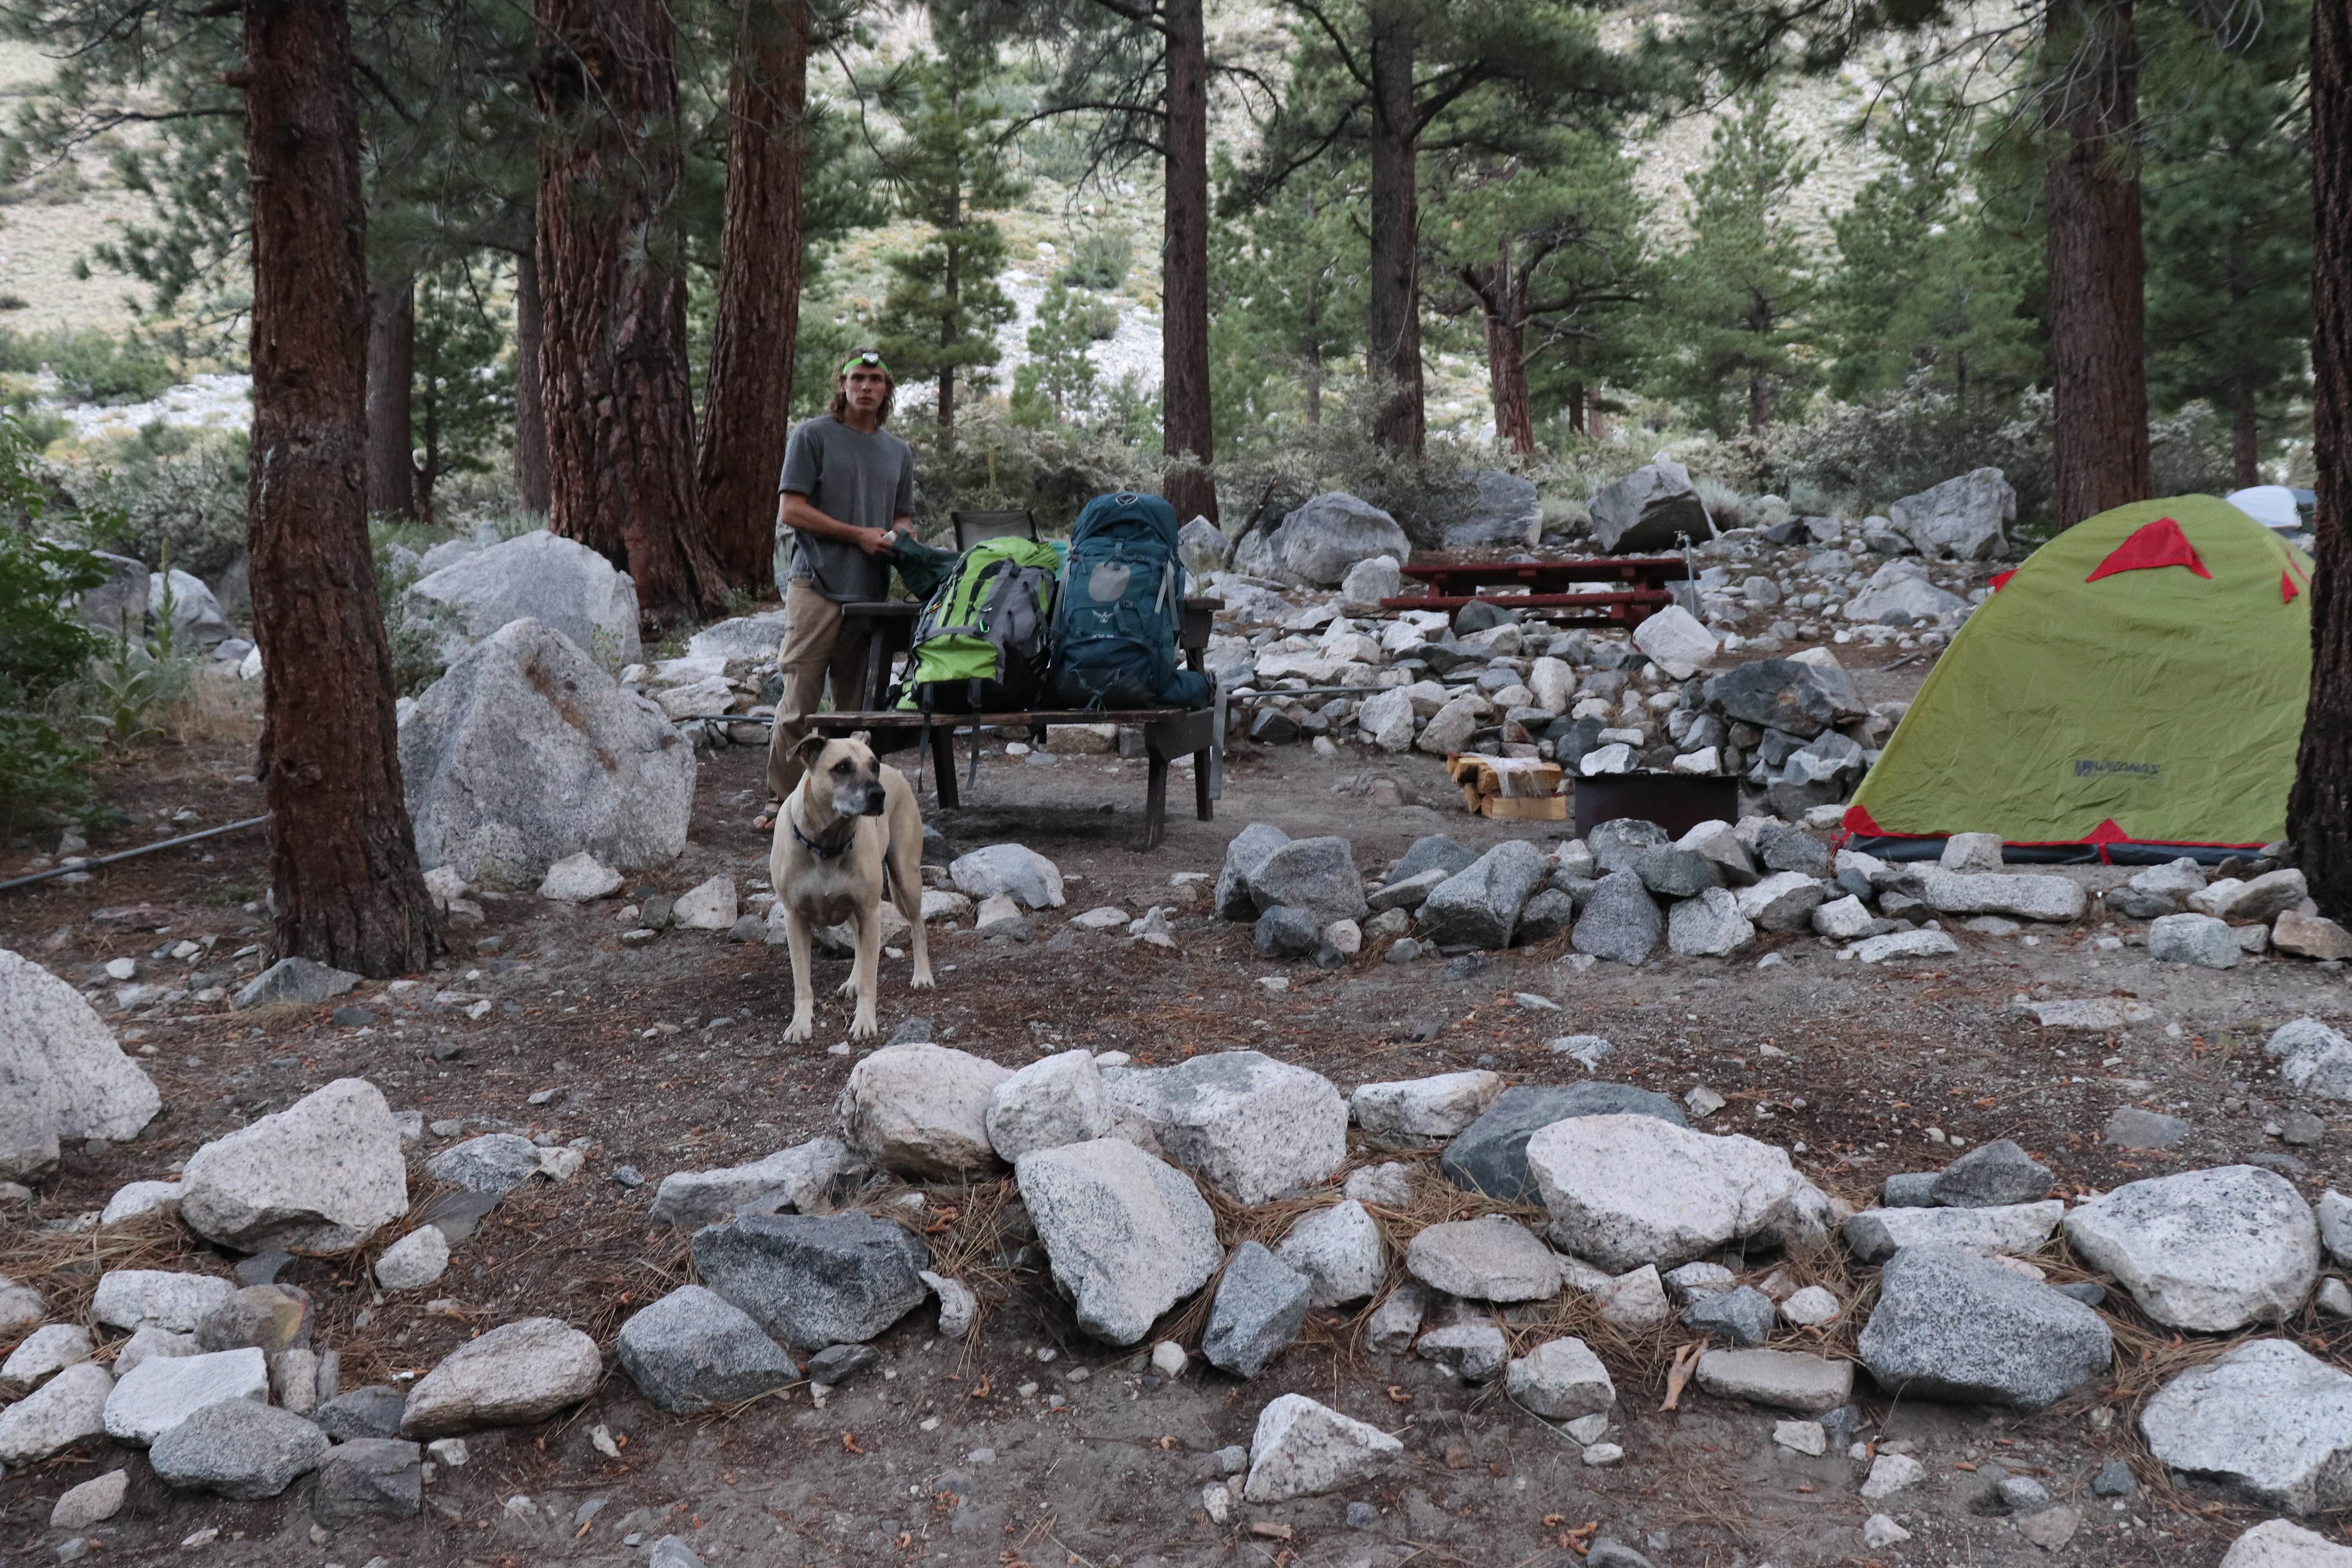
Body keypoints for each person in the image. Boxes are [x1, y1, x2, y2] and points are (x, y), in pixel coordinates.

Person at [760, 350, 918, 818]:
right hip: (816, 585)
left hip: (870, 595)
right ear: (842, 385)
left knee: (856, 714)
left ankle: (851, 808)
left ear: (887, 390)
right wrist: (857, 535)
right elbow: (791, 510)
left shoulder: (898, 452)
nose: (866, 386)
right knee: (800, 703)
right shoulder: (813, 436)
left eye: (875, 379)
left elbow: (903, 514)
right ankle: (782, 804)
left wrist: (902, 536)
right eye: (857, 378)